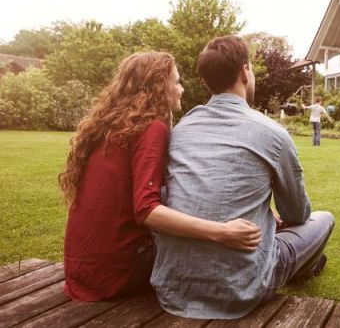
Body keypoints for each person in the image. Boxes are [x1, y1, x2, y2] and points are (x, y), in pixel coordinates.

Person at [151, 36, 335, 320]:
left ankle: (305, 261)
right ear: (245, 71)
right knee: (323, 219)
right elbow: (297, 213)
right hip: (242, 289)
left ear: (204, 81)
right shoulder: (272, 133)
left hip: (173, 289)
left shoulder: (182, 129)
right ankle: (307, 265)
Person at [61, 51, 261, 301]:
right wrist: (222, 231)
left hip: (82, 270)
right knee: (213, 250)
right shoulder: (150, 128)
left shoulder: (112, 126)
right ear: (159, 87)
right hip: (117, 274)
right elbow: (147, 210)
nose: (181, 89)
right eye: (176, 82)